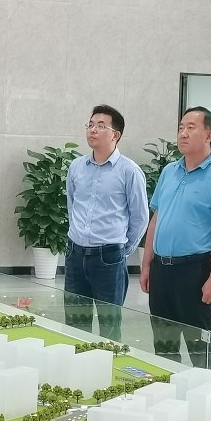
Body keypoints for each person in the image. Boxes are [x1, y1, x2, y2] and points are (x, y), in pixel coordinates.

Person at [139, 106, 211, 371]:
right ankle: (167, 388)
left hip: (195, 270)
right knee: (163, 342)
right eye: (181, 127)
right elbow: (156, 219)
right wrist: (147, 265)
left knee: (199, 345)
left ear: (209, 135)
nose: (183, 133)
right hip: (162, 268)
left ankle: (210, 390)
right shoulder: (169, 171)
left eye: (191, 128)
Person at [64, 104, 148, 341]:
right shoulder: (76, 167)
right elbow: (72, 205)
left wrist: (122, 250)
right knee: (75, 324)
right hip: (75, 254)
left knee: (109, 327)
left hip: (109, 257)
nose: (93, 130)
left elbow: (140, 217)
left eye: (101, 126)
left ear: (115, 135)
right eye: (90, 125)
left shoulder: (129, 171)